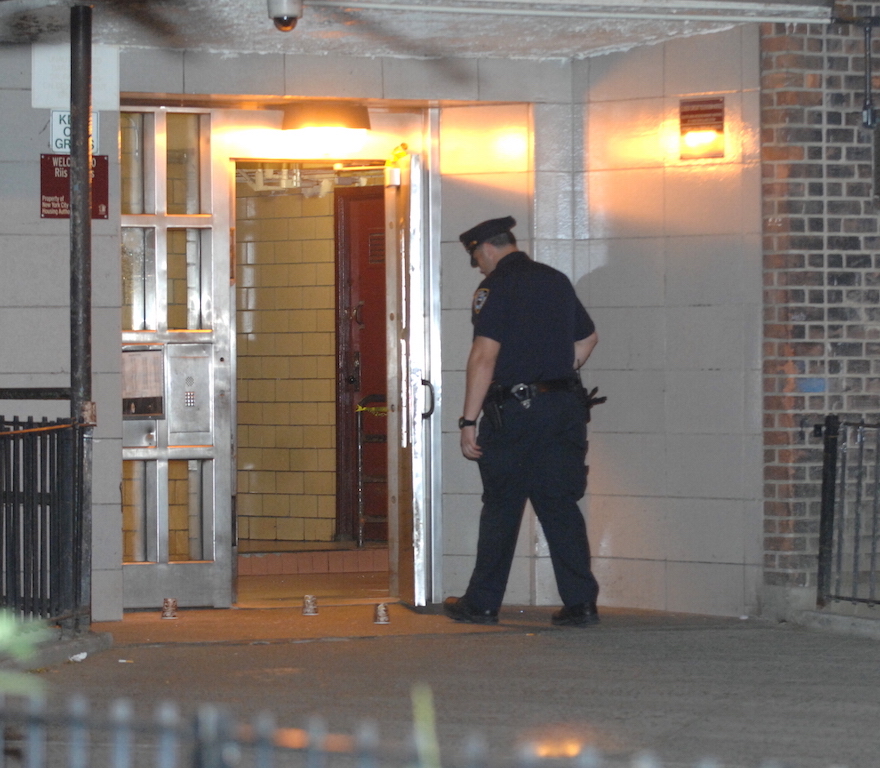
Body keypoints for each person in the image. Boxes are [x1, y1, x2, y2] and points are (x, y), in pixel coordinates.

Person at [444, 215, 601, 627]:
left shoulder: (495, 287)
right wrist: (555, 371)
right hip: (564, 409)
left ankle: (481, 603)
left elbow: (483, 356)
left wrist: (467, 421)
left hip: (514, 414)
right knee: (560, 506)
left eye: (477, 257)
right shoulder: (555, 279)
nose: (478, 265)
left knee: (501, 507)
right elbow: (587, 338)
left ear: (487, 249)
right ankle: (581, 603)